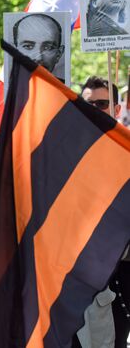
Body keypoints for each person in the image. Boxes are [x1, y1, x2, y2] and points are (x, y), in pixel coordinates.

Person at [72, 76, 128, 348]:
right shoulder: (69, 152)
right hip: (84, 273)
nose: (94, 108)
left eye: (102, 103)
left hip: (124, 270)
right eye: (88, 103)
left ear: (117, 109)